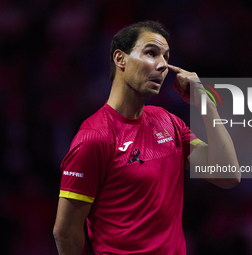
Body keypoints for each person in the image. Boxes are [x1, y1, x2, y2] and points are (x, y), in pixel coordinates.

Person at [53, 20, 240, 255]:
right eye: (151, 53)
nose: (162, 65)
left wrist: (206, 105)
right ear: (120, 59)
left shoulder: (168, 123)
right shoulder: (94, 137)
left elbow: (229, 175)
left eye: (166, 57)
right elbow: (65, 232)